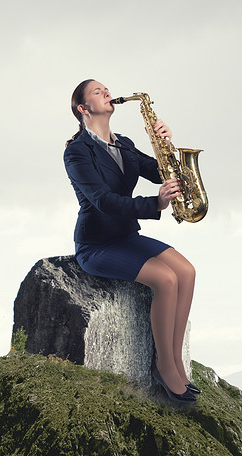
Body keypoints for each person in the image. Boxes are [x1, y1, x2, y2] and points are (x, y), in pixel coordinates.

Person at [64, 79, 198, 403]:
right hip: (96, 245)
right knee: (165, 279)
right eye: (98, 92)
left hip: (126, 235)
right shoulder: (77, 152)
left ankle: (175, 357)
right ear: (83, 109)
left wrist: (167, 144)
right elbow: (103, 200)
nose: (107, 93)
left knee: (187, 272)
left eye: (106, 89)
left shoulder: (122, 142)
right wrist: (155, 203)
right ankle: (163, 365)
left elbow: (158, 171)